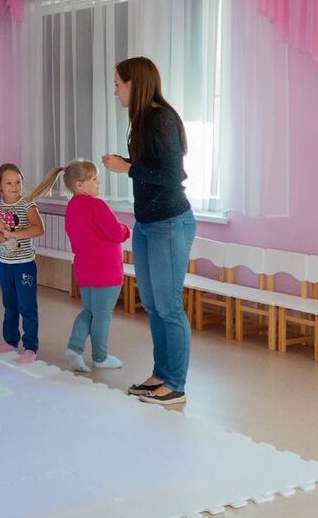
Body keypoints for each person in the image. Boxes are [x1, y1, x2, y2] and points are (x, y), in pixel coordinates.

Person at [102, 56, 195, 406]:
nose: (115, 91)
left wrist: (127, 167)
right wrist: (129, 165)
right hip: (148, 223)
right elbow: (151, 168)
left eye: (118, 84)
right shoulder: (142, 120)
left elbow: (173, 175)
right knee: (153, 305)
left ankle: (175, 384)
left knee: (169, 306)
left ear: (133, 83)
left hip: (169, 223)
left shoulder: (161, 119)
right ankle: (161, 374)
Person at [34, 160, 130, 372]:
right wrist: (125, 229)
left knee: (89, 312)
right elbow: (116, 232)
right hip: (106, 271)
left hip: (84, 270)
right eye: (94, 179)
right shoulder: (97, 205)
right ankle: (100, 357)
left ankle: (75, 348)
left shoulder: (72, 206)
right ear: (79, 185)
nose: (98, 182)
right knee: (102, 315)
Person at [0, 164, 46, 364]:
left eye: (18, 182)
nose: (14, 187)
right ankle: (10, 341)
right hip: (4, 264)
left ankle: (30, 347)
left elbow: (39, 229)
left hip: (24, 264)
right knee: (9, 305)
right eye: (9, 183)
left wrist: (14, 234)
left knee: (27, 306)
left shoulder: (27, 204)